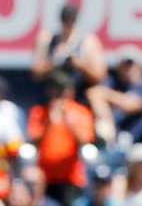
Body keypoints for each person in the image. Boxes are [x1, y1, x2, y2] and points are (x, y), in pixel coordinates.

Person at [26, 71, 95, 206]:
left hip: (71, 177)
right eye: (54, 89)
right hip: (45, 178)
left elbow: (85, 140)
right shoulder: (39, 112)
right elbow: (34, 140)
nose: (57, 94)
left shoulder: (81, 112)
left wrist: (68, 120)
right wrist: (49, 121)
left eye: (61, 89)